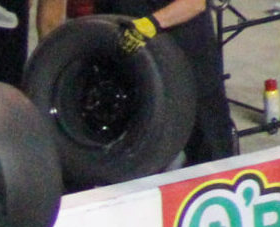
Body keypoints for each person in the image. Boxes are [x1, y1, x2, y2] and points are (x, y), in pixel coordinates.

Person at [38, 0, 236, 166]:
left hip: (186, 53)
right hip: (123, 54)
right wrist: (57, 68)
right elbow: (50, 19)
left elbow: (194, 4)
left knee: (210, 146)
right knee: (122, 152)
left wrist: (152, 23)